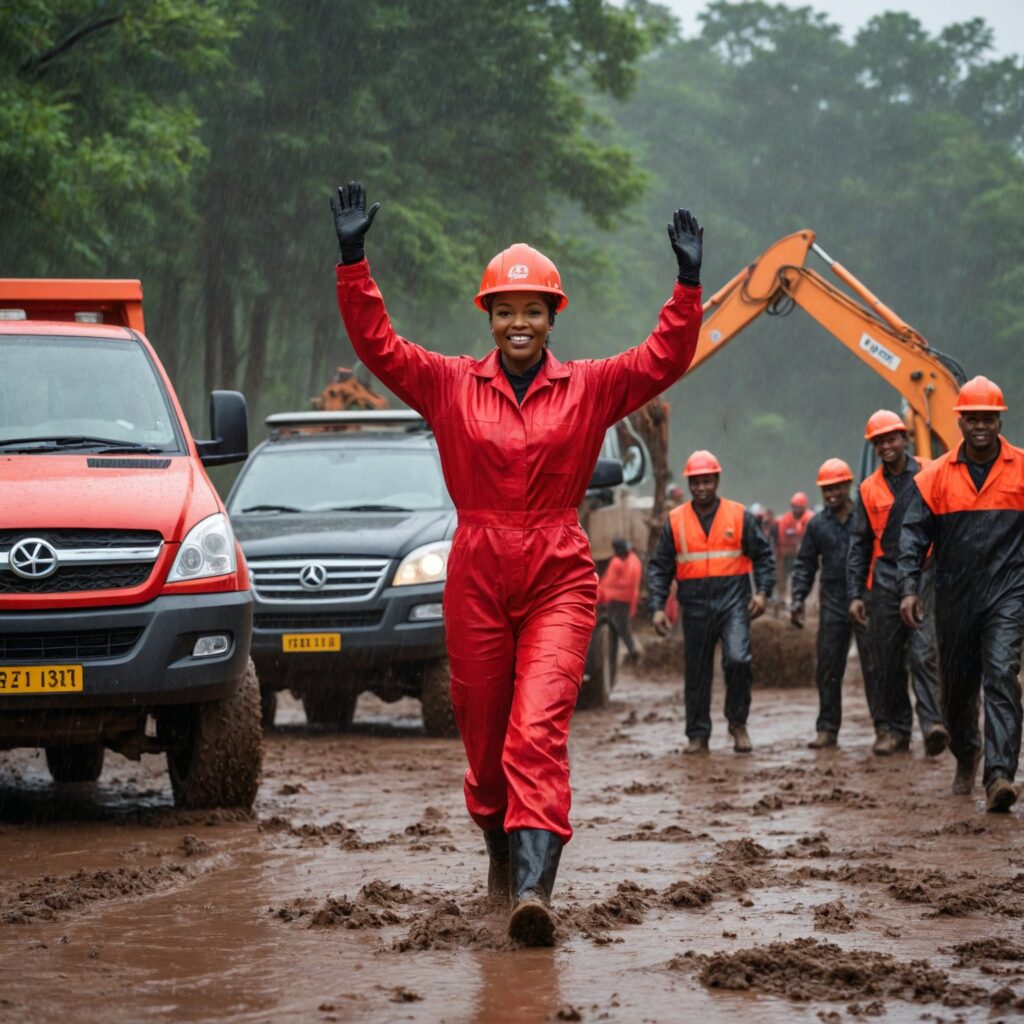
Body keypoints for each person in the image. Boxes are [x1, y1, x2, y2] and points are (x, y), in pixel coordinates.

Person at [331, 181, 704, 945]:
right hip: (474, 571)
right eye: (506, 309)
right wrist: (352, 262)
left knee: (536, 730)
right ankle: (500, 851)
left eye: (533, 310)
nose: (520, 322)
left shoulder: (592, 387)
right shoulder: (447, 384)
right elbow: (380, 346)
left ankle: (533, 890)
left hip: (558, 572)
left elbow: (663, 359)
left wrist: (688, 286)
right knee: (485, 740)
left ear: (552, 317)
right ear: (489, 318)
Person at [898, 377, 1024, 812]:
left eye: (988, 418)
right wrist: (909, 589)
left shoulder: (1022, 468)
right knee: (956, 692)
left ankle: (1000, 775)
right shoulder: (933, 478)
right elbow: (912, 538)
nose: (981, 427)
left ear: (1000, 419)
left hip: (1008, 594)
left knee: (1003, 675)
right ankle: (968, 753)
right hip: (953, 599)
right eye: (973, 419)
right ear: (961, 422)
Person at [647, 450, 775, 754]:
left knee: (738, 660)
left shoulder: (738, 515)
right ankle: (698, 734)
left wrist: (762, 592)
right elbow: (660, 567)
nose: (701, 488)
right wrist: (656, 607)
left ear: (717, 480)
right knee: (697, 671)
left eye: (706, 481)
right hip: (694, 606)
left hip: (733, 602)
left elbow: (765, 556)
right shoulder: (676, 521)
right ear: (690, 484)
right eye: (696, 483)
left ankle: (738, 724)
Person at [848, 410, 945, 756]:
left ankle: (933, 724)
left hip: (925, 571)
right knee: (886, 659)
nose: (886, 446)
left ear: (905, 439)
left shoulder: (931, 472)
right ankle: (897, 731)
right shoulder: (868, 488)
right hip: (885, 576)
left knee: (922, 652)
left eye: (891, 439)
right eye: (879, 442)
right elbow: (859, 544)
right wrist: (856, 594)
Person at [791, 458, 872, 748]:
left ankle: (887, 729)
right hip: (834, 599)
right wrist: (798, 597)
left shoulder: (865, 517)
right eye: (826, 490)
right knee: (828, 666)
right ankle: (827, 729)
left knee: (875, 665)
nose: (831, 495)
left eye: (836, 488)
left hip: (866, 596)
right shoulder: (817, 525)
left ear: (848, 486)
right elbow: (805, 564)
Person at [597, 538, 643, 664]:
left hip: (615, 599)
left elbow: (609, 582)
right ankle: (631, 652)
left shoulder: (617, 562)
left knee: (614, 627)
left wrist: (600, 592)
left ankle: (623, 654)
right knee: (621, 627)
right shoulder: (635, 561)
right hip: (624, 600)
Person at [776, 492, 812, 603]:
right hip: (788, 553)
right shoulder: (786, 519)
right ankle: (782, 597)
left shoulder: (810, 518)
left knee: (804, 576)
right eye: (795, 507)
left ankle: (806, 598)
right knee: (783, 575)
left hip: (807, 555)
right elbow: (781, 537)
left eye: (799, 508)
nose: (797, 510)